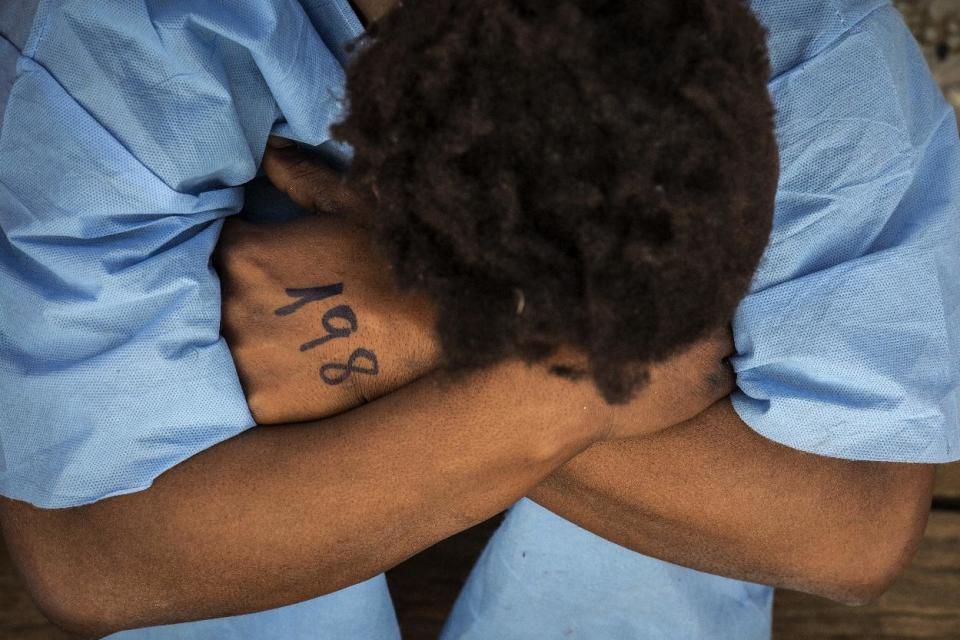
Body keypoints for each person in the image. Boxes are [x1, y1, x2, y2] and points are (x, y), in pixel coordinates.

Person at [0, 3, 954, 640]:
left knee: (243, 328)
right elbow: (87, 553)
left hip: (301, 325)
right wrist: (628, 372)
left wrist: (415, 327)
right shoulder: (116, 44)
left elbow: (852, 532)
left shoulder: (811, 43)